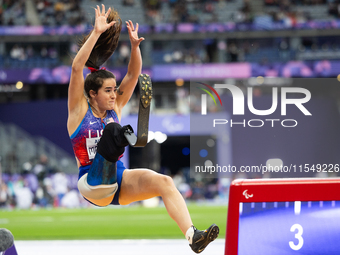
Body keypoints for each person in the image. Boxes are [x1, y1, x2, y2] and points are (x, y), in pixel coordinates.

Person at [67, 4, 219, 253]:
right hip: (92, 183)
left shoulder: (114, 107)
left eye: (115, 89)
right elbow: (76, 68)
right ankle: (129, 136)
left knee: (165, 182)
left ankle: (193, 236)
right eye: (108, 91)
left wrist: (135, 49)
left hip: (118, 182)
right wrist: (96, 33)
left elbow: (133, 75)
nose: (115, 94)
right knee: (113, 130)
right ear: (92, 94)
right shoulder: (78, 112)